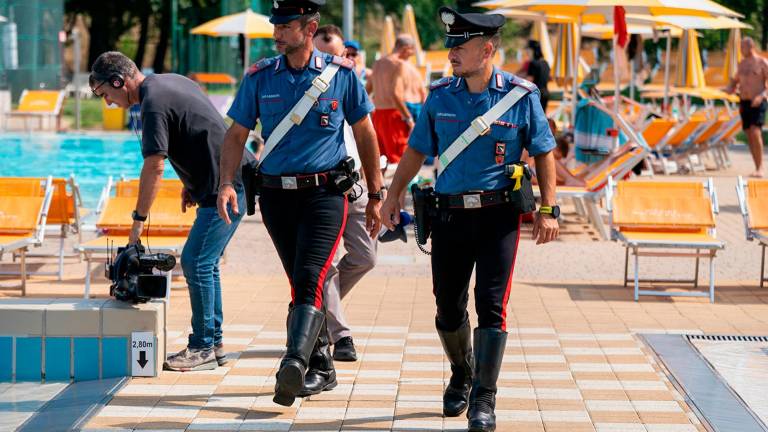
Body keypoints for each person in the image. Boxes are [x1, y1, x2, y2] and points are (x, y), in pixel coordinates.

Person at [380, 8, 559, 432]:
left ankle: (484, 397)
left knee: (492, 307)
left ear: (487, 49)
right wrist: (391, 194)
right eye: (451, 46)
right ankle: (462, 371)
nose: (452, 54)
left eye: (460, 47)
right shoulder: (440, 95)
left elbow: (544, 149)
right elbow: (416, 150)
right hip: (449, 217)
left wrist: (548, 208)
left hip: (499, 218)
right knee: (447, 306)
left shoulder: (521, 95)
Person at [216, 0, 385, 407]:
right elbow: (236, 134)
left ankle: (294, 363)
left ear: (309, 29)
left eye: (285, 25)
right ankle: (322, 367)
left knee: (311, 275)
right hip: (275, 196)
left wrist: (377, 194)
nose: (276, 32)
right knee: (300, 281)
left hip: (325, 194)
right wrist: (226, 183)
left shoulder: (341, 76)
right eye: (275, 25)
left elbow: (365, 133)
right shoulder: (259, 77)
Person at [88, 51, 253, 372]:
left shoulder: (152, 103)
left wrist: (137, 222)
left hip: (229, 184)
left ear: (119, 82)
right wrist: (193, 184)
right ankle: (212, 342)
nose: (108, 104)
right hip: (226, 180)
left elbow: (154, 165)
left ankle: (203, 346)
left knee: (195, 261)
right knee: (206, 263)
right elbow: (201, 129)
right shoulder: (169, 82)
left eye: (106, 94)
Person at [312, 24, 378, 362]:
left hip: (355, 184)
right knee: (323, 264)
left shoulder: (351, 82)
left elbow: (366, 136)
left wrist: (377, 192)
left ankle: (315, 309)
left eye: (342, 54)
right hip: (322, 187)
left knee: (366, 257)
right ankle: (341, 334)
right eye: (329, 55)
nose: (337, 60)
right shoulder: (306, 88)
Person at [370, 35, 420, 163]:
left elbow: (367, 90)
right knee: (401, 159)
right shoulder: (399, 64)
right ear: (405, 48)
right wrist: (408, 118)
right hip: (393, 115)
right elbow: (394, 93)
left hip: (378, 115)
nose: (412, 54)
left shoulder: (377, 63)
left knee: (382, 159)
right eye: (411, 51)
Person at [726, 37, 768, 178]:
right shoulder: (742, 64)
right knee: (749, 135)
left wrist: (761, 96)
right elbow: (735, 82)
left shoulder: (762, 62)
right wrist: (728, 88)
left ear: (751, 47)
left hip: (758, 101)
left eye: (742, 47)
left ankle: (761, 167)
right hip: (744, 102)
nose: (740, 50)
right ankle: (756, 166)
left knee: (756, 132)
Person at [524, 40, 550, 112]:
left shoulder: (533, 63)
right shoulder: (546, 63)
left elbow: (528, 82)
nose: (527, 53)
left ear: (532, 51)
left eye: (528, 50)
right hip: (545, 94)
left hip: (535, 95)